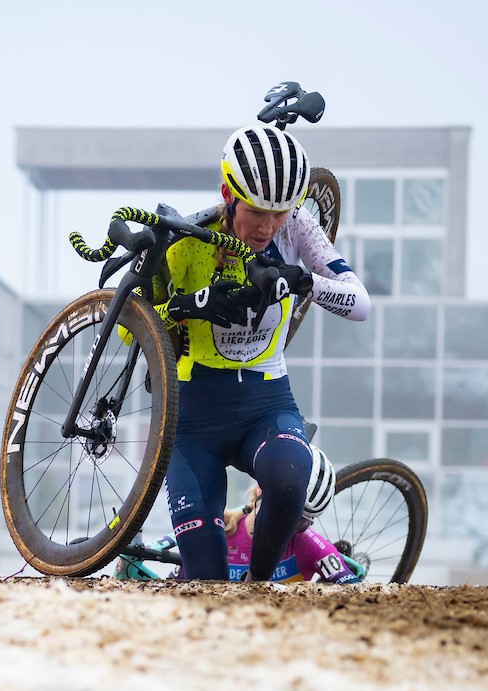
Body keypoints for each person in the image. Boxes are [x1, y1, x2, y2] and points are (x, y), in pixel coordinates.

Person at [152, 125, 370, 581]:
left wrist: (304, 281)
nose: (269, 226)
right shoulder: (190, 242)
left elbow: (360, 305)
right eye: (256, 213)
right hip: (193, 419)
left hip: (265, 403)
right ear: (227, 194)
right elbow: (137, 336)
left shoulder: (297, 228)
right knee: (205, 575)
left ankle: (258, 587)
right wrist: (188, 307)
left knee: (291, 479)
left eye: (279, 213)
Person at [115, 447, 364, 583]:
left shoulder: (307, 544)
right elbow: (161, 557)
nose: (287, 525)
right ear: (259, 491)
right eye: (283, 511)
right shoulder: (223, 528)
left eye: (300, 523)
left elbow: (350, 587)